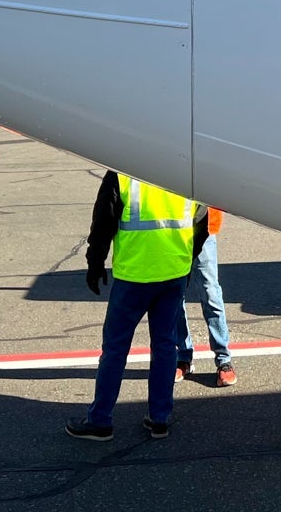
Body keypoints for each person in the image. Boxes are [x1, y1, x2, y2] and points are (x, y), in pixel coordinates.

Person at [66, 172, 196, 441]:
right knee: (165, 346)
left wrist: (95, 262)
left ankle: (100, 420)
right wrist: (188, 261)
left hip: (134, 275)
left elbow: (104, 221)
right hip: (174, 270)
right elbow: (201, 220)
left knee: (115, 349)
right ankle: (159, 418)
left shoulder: (124, 171)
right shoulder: (184, 169)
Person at [175, 204, 236, 387]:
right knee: (175, 295)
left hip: (204, 226)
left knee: (210, 293)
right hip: (172, 230)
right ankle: (183, 357)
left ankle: (223, 360)